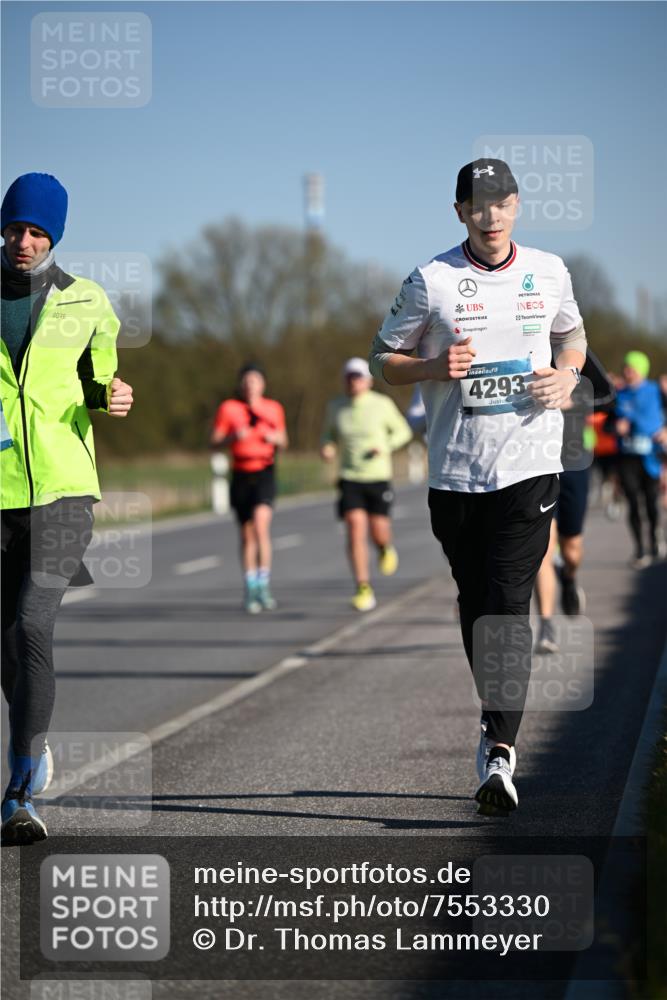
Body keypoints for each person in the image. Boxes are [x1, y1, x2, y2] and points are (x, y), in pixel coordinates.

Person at [369, 158, 586, 814]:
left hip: (530, 464)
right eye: (477, 204)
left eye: (501, 202)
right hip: (455, 474)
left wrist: (568, 376)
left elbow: (571, 337)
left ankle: (498, 749)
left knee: (508, 600)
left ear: (516, 206)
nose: (490, 215)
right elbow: (383, 361)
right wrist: (433, 367)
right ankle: (492, 717)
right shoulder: (430, 281)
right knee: (476, 600)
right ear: (459, 211)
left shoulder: (548, 272)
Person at [1, 172, 133, 844]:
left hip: (63, 490)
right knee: (5, 641)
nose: (24, 241)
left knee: (30, 624)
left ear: (54, 235)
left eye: (37, 231)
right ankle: (34, 745)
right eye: (15, 228)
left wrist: (110, 394)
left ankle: (20, 790)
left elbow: (97, 377)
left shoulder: (85, 301)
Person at [534, 350, 616, 653]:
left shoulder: (574, 353)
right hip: (535, 466)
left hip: (574, 464)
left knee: (572, 551)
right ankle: (546, 625)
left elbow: (609, 395)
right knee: (542, 547)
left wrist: (575, 401)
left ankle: (568, 578)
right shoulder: (522, 345)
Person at [320, 357, 412, 612]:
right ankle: (363, 587)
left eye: (358, 376)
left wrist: (384, 448)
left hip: (378, 476)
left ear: (369, 380)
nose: (354, 381)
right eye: (350, 376)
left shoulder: (381, 404)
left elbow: (403, 431)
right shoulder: (336, 407)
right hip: (350, 477)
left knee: (378, 529)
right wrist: (326, 447)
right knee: (354, 527)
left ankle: (384, 547)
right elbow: (327, 434)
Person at [211, 363, 287, 613]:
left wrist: (275, 439)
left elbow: (284, 441)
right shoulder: (229, 408)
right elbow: (214, 442)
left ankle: (264, 584)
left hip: (264, 470)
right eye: (246, 381)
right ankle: (251, 587)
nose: (250, 385)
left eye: (254, 381)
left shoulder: (273, 408)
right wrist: (234, 437)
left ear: (262, 384)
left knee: (261, 524)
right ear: (240, 384)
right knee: (246, 534)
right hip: (241, 472)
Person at [614, 351, 666, 567]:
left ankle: (654, 541)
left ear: (641, 370)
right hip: (627, 457)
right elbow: (608, 421)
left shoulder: (656, 390)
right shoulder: (619, 394)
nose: (628, 372)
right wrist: (615, 427)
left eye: (632, 368)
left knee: (651, 502)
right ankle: (640, 550)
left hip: (651, 455)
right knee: (633, 503)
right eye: (626, 368)